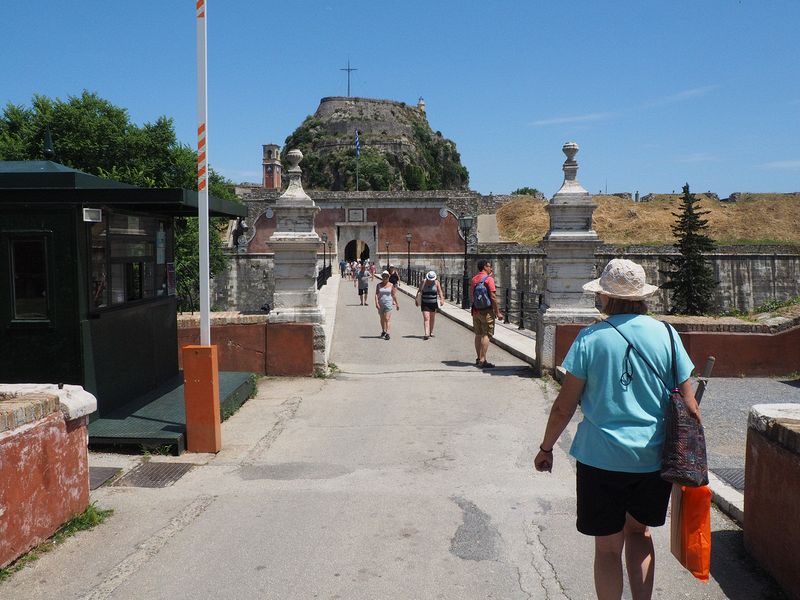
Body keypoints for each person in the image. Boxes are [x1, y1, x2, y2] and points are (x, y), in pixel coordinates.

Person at [533, 258, 700, 600]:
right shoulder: (667, 334)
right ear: (642, 297)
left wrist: (546, 448)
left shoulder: (590, 338)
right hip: (653, 458)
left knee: (608, 548)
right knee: (640, 535)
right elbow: (690, 404)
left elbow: (564, 405)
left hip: (601, 458)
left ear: (606, 297)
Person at [470, 259, 503, 368]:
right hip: (487, 311)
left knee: (478, 334)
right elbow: (493, 297)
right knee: (487, 334)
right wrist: (497, 312)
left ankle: (479, 358)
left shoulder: (474, 279)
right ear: (485, 267)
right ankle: (483, 360)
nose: (491, 268)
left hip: (476, 311)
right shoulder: (489, 280)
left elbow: (472, 296)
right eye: (490, 266)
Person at [415, 270, 444, 340]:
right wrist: (416, 300)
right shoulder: (423, 282)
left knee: (432, 318)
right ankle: (426, 333)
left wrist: (442, 299)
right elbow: (419, 291)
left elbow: (440, 291)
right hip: (425, 303)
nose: (431, 280)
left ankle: (431, 332)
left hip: (433, 303)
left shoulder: (437, 283)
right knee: (426, 317)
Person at [375, 270, 399, 339]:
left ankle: (387, 333)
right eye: (384, 276)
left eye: (386, 276)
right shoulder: (378, 285)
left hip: (388, 303)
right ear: (382, 277)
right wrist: (376, 302)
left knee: (387, 318)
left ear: (388, 277)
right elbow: (376, 294)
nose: (385, 278)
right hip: (380, 304)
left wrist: (397, 304)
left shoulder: (391, 285)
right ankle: (383, 331)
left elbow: (394, 295)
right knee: (382, 318)